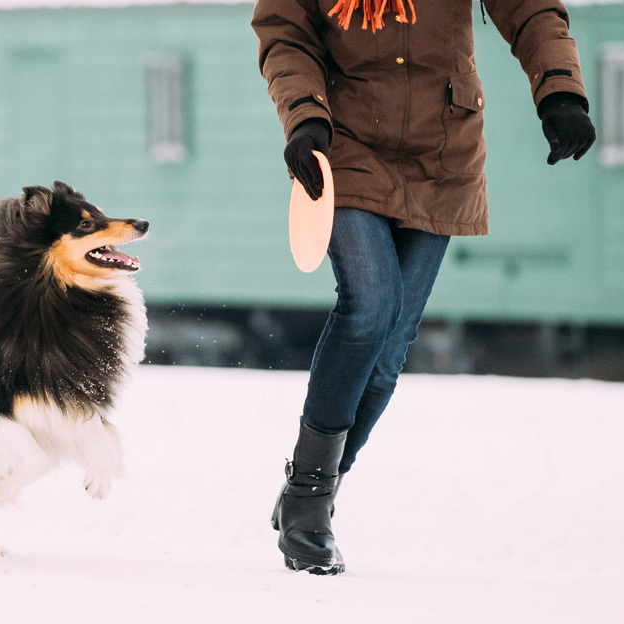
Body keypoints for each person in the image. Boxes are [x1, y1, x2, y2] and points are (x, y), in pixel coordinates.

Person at [252, 0, 596, 575]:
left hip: (443, 154)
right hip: (348, 144)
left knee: (387, 356)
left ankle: (310, 491)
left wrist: (558, 90)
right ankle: (309, 502)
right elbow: (285, 32)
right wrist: (304, 114)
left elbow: (532, 8)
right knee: (370, 306)